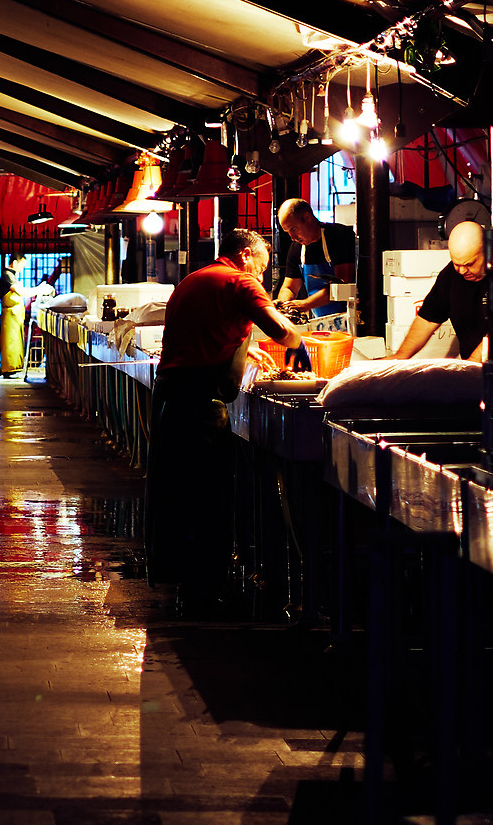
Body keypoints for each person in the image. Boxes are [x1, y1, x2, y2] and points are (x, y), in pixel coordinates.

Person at [148, 229, 308, 612]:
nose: (262, 276)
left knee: (175, 490)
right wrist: (300, 342)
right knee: (209, 495)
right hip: (200, 403)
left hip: (169, 398)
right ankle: (205, 590)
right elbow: (281, 330)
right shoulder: (240, 282)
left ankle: (182, 581)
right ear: (246, 255)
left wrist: (243, 353)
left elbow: (204, 333)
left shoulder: (194, 280)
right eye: (262, 267)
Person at [388, 218, 491, 362]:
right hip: (472, 368)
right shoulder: (451, 275)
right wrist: (400, 356)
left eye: (469, 264)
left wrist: (471, 365)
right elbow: (428, 320)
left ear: (487, 251)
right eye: (456, 264)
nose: (462, 271)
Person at [272, 197, 357, 328]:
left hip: (350, 319)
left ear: (307, 217)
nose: (292, 237)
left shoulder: (340, 236)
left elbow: (341, 284)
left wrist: (306, 304)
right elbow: (290, 287)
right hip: (320, 322)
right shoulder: (296, 249)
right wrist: (283, 304)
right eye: (288, 232)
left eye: (293, 229)